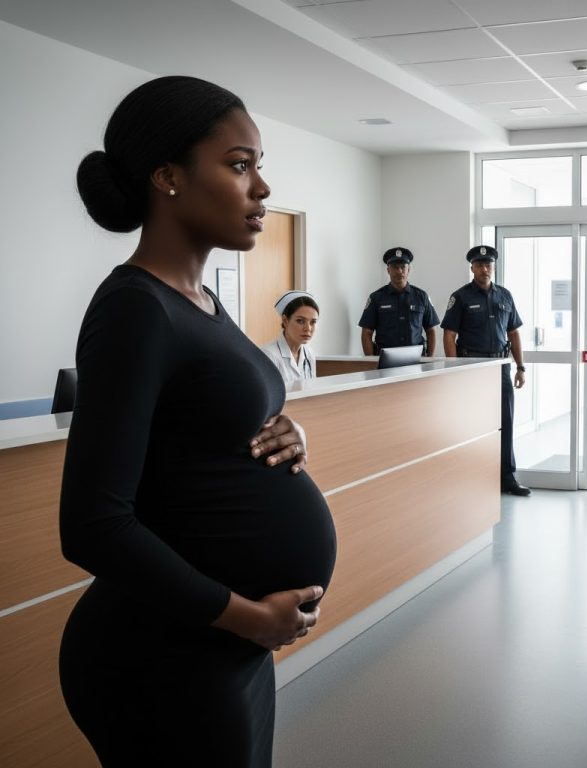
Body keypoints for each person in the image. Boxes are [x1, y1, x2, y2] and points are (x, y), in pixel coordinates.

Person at [58, 75, 337, 767]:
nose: (262, 188)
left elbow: (200, 434)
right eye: (240, 165)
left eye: (259, 166)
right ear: (168, 178)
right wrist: (252, 618)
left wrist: (288, 433)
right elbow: (92, 524)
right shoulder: (135, 308)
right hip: (161, 659)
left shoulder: (200, 299)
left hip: (223, 649)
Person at [441, 245, 531, 497]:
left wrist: (520, 367)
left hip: (500, 368)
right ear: (472, 268)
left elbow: (513, 333)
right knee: (472, 423)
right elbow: (449, 335)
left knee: (506, 422)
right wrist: (454, 369)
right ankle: (473, 477)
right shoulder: (460, 297)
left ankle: (507, 478)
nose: (484, 269)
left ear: (493, 267)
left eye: (488, 264)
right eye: (479, 265)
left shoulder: (505, 295)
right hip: (471, 368)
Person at [358, 247, 440, 356]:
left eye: (403, 267)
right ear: (388, 270)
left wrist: (430, 359)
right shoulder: (376, 298)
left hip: (416, 358)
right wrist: (371, 361)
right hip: (385, 359)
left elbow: (431, 330)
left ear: (408, 270)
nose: (399, 271)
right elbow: (366, 333)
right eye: (395, 267)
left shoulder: (421, 296)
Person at [262, 290, 319, 383]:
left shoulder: (309, 353)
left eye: (313, 322)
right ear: (285, 321)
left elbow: (312, 388)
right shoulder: (268, 355)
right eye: (300, 321)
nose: (308, 328)